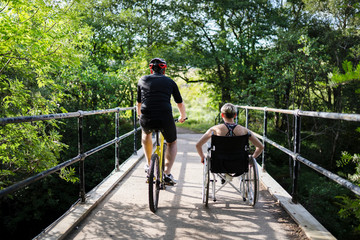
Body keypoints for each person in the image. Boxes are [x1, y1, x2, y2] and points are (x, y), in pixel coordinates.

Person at [137, 58, 187, 185]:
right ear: (164, 69)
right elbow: (179, 103)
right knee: (172, 142)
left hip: (147, 116)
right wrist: (182, 117)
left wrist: (139, 116)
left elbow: (139, 103)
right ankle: (166, 174)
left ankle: (149, 165)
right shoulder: (170, 81)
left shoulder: (143, 80)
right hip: (165, 117)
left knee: (145, 134)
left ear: (151, 69)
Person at [196, 103, 264, 164]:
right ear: (235, 115)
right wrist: (252, 158)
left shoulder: (214, 130)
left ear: (222, 115)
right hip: (239, 163)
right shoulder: (244, 131)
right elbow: (260, 147)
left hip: (219, 162)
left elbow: (198, 145)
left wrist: (202, 157)